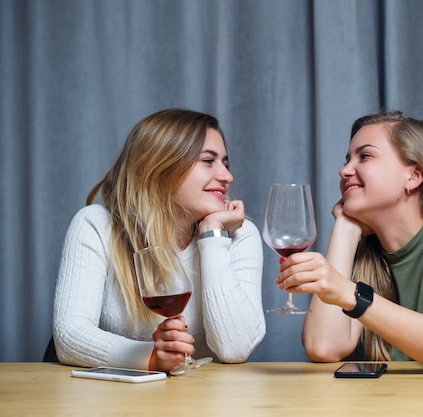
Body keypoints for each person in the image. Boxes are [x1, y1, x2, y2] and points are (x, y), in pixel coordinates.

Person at [276, 110, 423, 374]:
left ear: (414, 177)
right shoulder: (366, 255)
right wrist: (345, 227)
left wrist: (348, 293)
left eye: (365, 156)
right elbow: (323, 347)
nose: (344, 170)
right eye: (347, 159)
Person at [53, 108, 265, 373]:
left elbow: (234, 349)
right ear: (161, 166)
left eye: (226, 163)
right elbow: (69, 336)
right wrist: (151, 357)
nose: (227, 176)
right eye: (208, 161)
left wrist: (212, 234)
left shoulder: (240, 235)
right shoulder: (96, 225)